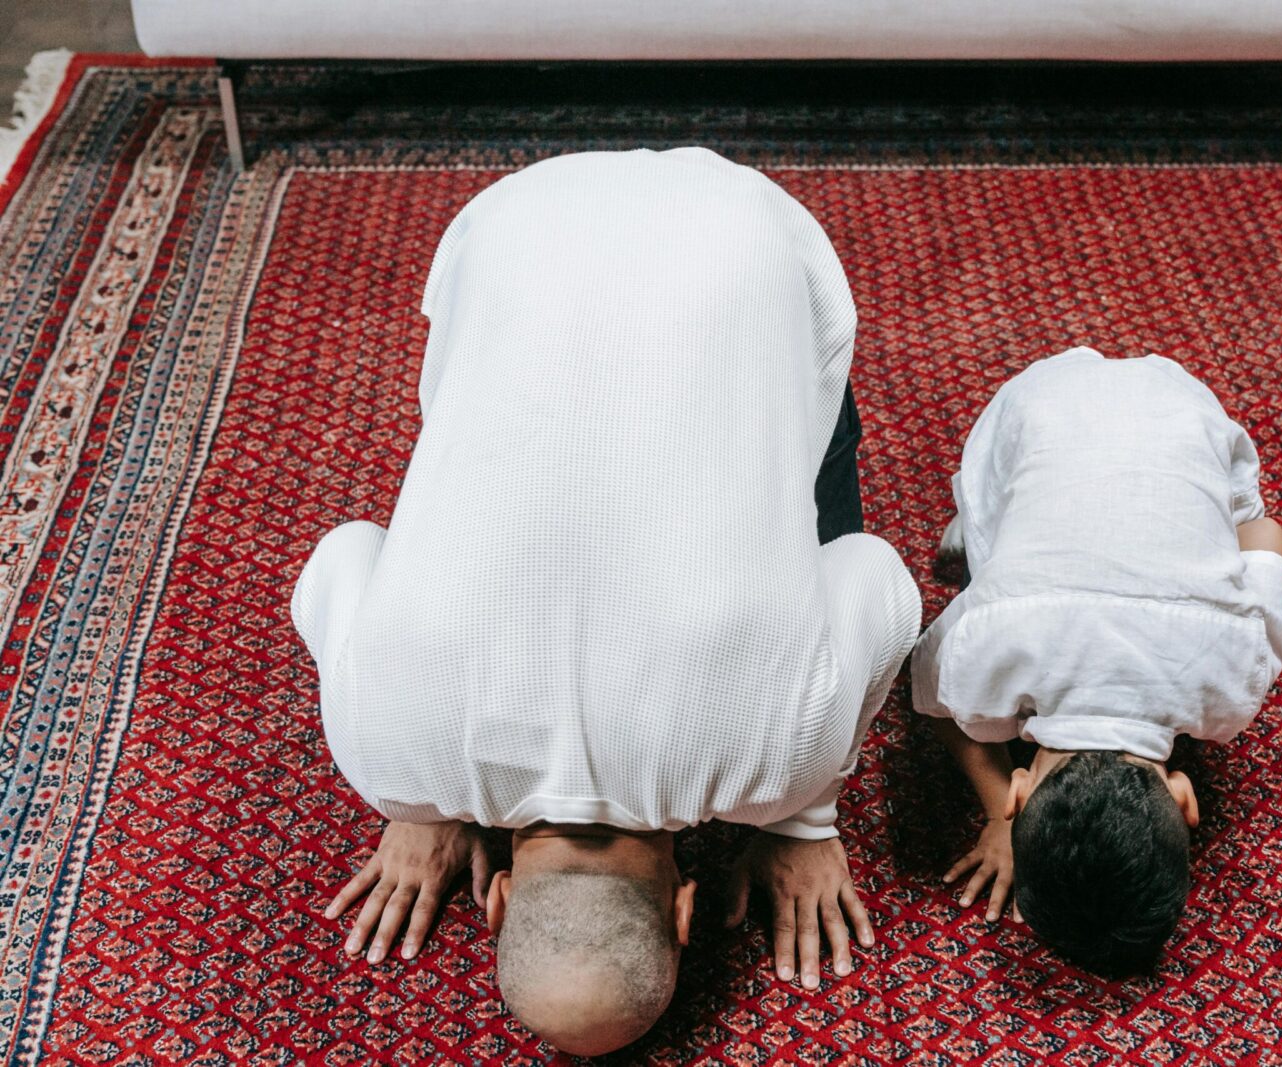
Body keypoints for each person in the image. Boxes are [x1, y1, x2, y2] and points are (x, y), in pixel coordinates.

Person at [291, 148, 921, 1056]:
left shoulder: (777, 758)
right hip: (508, 231)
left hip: (748, 242)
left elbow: (879, 574)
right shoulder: (383, 745)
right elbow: (343, 552)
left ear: (684, 907)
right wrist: (413, 789)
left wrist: (799, 811)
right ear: (503, 896)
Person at [911, 347, 1282, 976]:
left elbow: (1267, 536)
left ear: (1183, 799)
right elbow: (929, 694)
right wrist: (993, 813)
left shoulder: (1236, 679)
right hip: (1037, 404)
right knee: (985, 560)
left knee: (1240, 530)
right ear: (1018, 790)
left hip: (1179, 409)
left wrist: (1231, 544)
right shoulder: (988, 642)